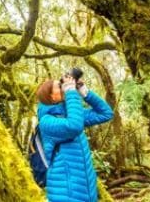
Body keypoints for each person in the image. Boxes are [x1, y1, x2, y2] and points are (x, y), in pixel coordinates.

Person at [36, 72, 114, 202]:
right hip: (65, 192)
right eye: (59, 86)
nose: (63, 86)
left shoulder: (69, 114)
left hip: (86, 191)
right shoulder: (46, 121)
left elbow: (105, 113)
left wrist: (84, 91)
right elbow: (74, 126)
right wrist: (71, 92)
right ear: (51, 96)